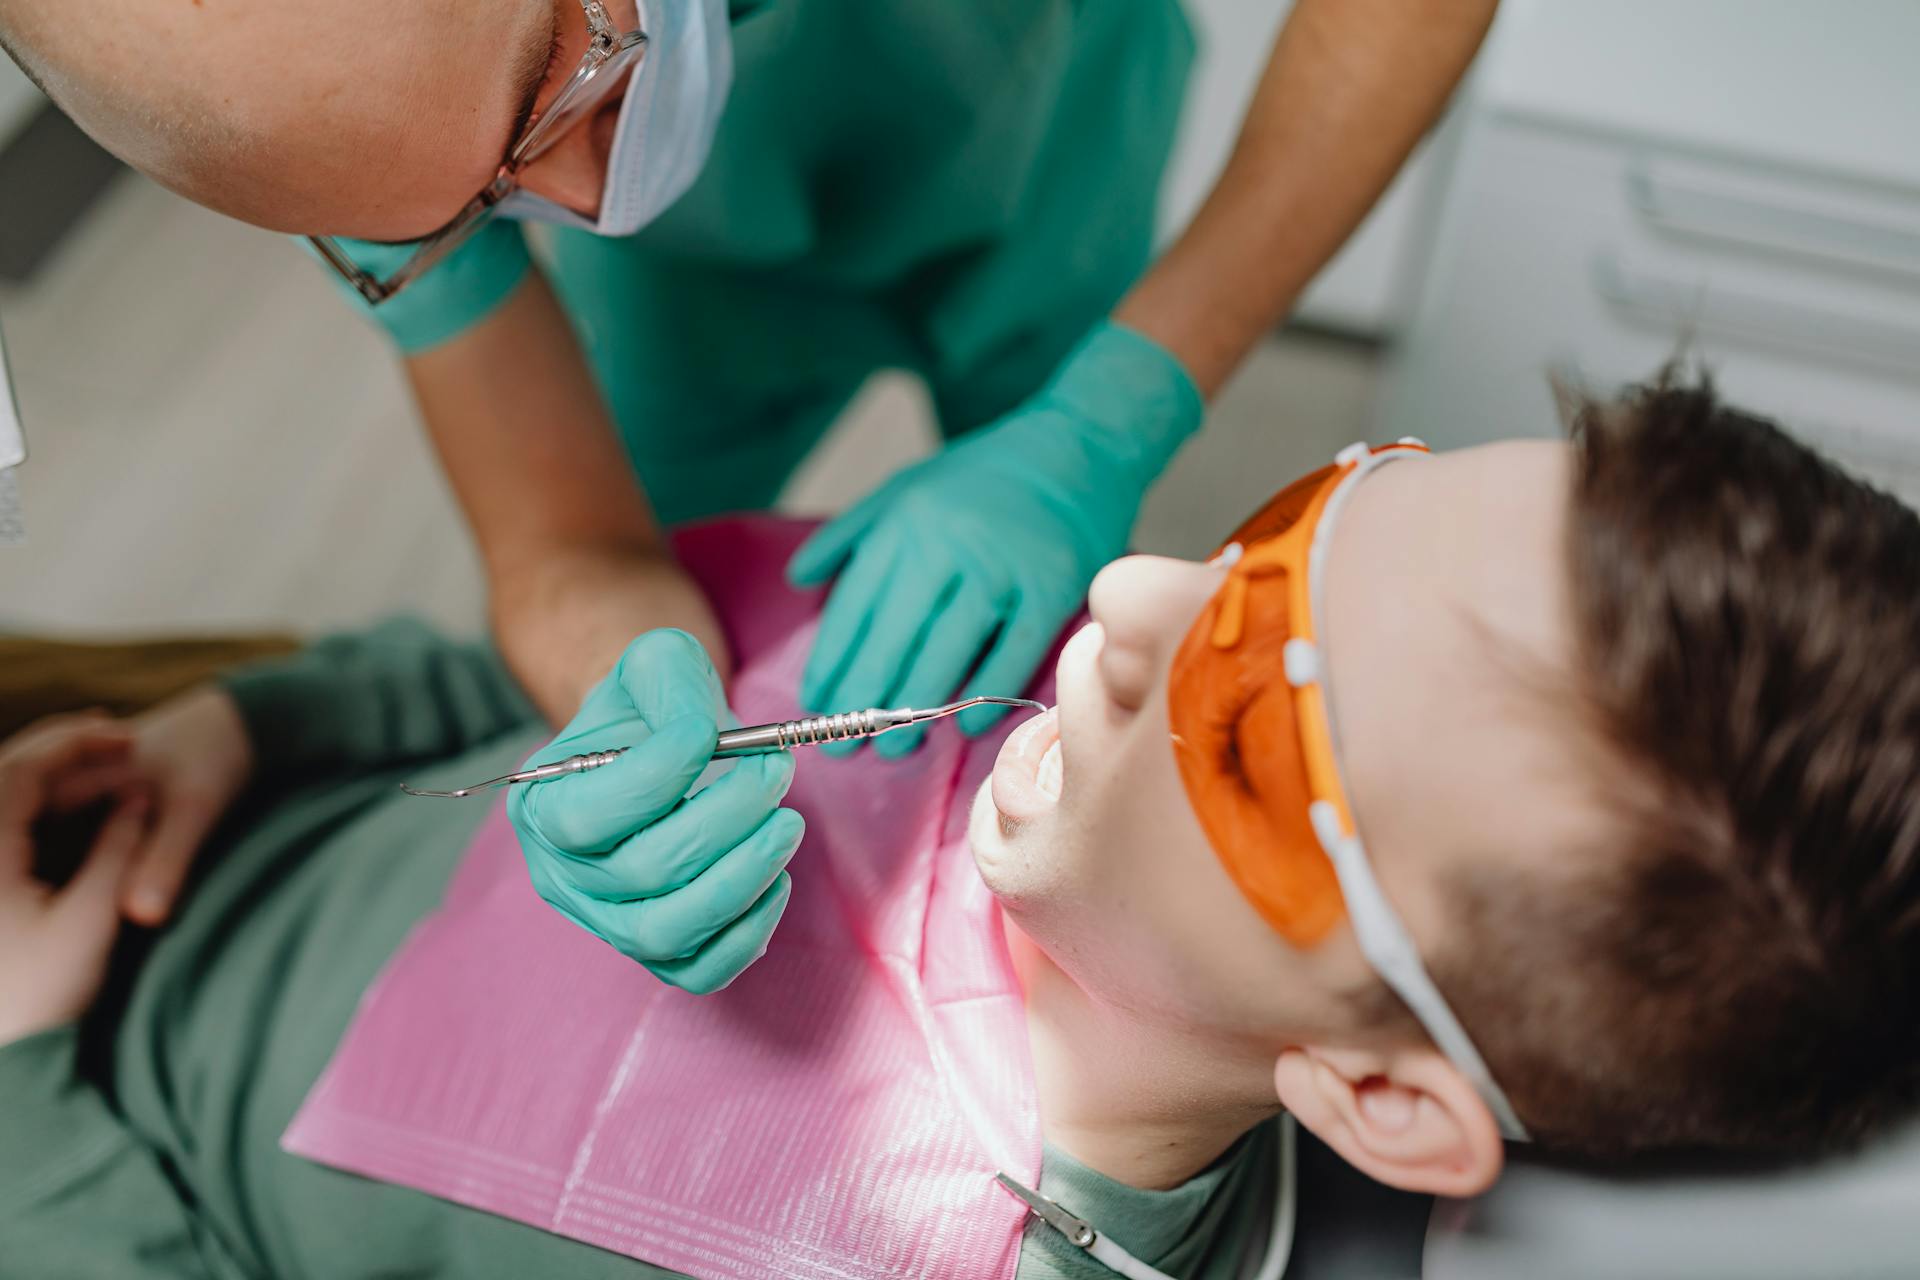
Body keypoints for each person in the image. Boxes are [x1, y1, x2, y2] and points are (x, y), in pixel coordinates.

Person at [5, 373, 1919, 1277]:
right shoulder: (999, 697)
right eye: (1300, 520)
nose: (1145, 599)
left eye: (1265, 715)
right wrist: (246, 729)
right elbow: (529, 692)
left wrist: (20, 1067)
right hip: (191, 807)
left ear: (1383, 1096)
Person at [0, 0, 1501, 962]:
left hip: (1038, 112)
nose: (590, 205)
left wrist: (1112, 411)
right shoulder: (340, 124)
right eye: (480, 211)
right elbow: (563, 544)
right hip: (698, 312)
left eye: (561, 80)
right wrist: (619, 679)